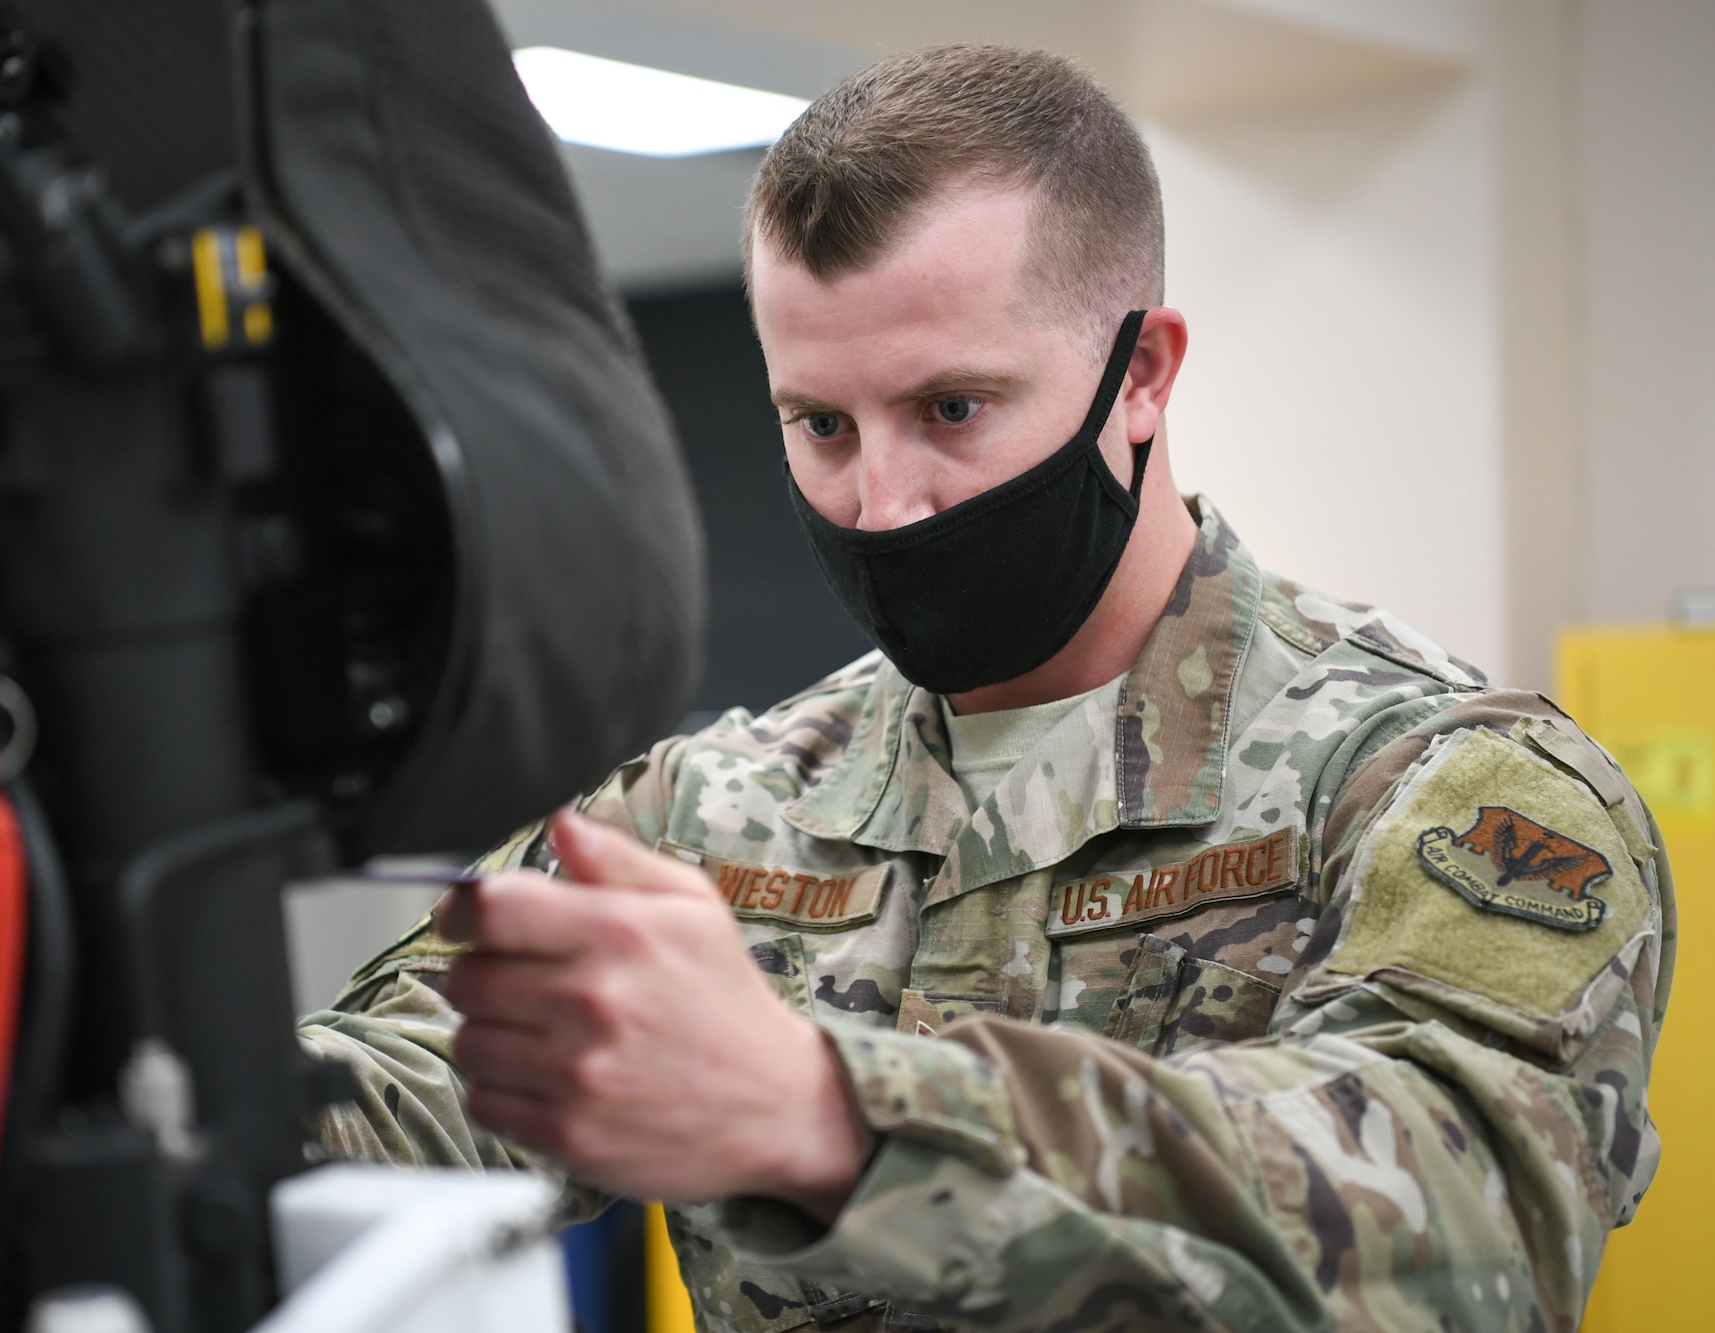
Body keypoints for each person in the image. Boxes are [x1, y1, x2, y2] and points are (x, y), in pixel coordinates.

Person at [298, 45, 1671, 1332]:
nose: (885, 504)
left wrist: (826, 1111)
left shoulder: (1442, 786)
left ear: (1140, 374)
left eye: (952, 408)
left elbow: (1468, 1216)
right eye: (820, 424)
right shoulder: (712, 813)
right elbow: (406, 1080)